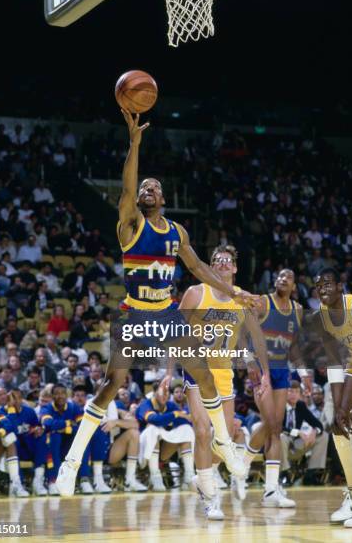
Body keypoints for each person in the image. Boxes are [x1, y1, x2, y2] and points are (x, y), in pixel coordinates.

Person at [56, 110, 257, 496]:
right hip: (134, 312)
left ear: (163, 198)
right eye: (144, 187)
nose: (147, 189)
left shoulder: (177, 232)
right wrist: (134, 143)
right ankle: (71, 463)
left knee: (204, 374)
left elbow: (199, 268)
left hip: (166, 311)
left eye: (154, 187)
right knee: (112, 382)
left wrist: (236, 292)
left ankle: (226, 446)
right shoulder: (130, 224)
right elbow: (127, 188)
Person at [179, 245, 269, 518]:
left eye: (227, 261)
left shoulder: (241, 298)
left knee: (225, 438)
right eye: (216, 261)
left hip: (224, 372)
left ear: (235, 267)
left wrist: (252, 362)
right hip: (196, 369)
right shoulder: (196, 292)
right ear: (210, 266)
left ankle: (202, 476)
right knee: (203, 430)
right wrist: (168, 372)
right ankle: (210, 496)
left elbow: (243, 335)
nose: (222, 264)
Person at [242, 269, 309, 508]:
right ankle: (245, 467)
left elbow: (294, 348)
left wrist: (303, 373)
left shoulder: (297, 311)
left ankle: (270, 488)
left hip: (282, 370)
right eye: (279, 276)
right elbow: (244, 334)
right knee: (270, 423)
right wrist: (249, 362)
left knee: (276, 428)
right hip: (261, 370)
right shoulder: (262, 302)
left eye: (288, 277)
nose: (283, 279)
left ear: (294, 286)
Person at [308, 268, 352, 528]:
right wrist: (339, 406)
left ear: (340, 286)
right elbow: (333, 361)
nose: (323, 288)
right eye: (318, 286)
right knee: (340, 428)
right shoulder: (322, 317)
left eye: (328, 283)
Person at [72, 385, 147, 493]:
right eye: (101, 391)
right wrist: (113, 422)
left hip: (110, 449)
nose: (105, 394)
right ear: (96, 393)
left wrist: (116, 422)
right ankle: (97, 480)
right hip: (91, 449)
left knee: (134, 433)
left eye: (108, 391)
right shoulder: (89, 404)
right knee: (101, 428)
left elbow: (135, 424)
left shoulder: (116, 406)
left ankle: (129, 480)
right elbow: (102, 424)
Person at [136, 380, 194, 491]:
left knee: (186, 430)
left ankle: (189, 476)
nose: (165, 396)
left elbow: (185, 422)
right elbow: (154, 419)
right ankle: (155, 476)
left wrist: (173, 417)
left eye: (167, 393)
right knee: (153, 429)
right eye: (163, 392)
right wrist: (175, 415)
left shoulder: (170, 405)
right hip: (142, 448)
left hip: (161, 449)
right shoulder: (146, 405)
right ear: (155, 393)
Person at [39, 384, 89, 495]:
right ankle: (53, 481)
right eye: (57, 393)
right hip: (52, 447)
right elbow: (48, 424)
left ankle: (84, 480)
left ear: (67, 395)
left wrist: (64, 429)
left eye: (62, 393)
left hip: (68, 447)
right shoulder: (46, 408)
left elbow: (82, 425)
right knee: (54, 437)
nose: (60, 396)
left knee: (83, 437)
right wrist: (68, 423)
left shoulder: (74, 407)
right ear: (52, 396)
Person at [280, 380, 328, 484]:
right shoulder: (279, 405)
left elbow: (317, 423)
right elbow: (277, 427)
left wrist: (314, 432)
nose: (294, 394)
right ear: (284, 393)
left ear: (300, 395)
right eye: (290, 391)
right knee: (281, 437)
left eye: (297, 392)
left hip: (297, 444)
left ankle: (310, 474)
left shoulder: (300, 405)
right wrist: (298, 432)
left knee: (323, 435)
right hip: (281, 446)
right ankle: (284, 474)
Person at [3, 389, 48, 496]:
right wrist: (11, 410)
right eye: (12, 398)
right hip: (11, 451)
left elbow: (37, 425)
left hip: (28, 446)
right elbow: (11, 429)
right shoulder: (0, 412)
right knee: (13, 439)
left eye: (18, 397)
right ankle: (18, 483)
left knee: (42, 438)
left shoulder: (29, 411)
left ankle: (38, 481)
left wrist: (37, 429)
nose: (15, 401)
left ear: (22, 399)